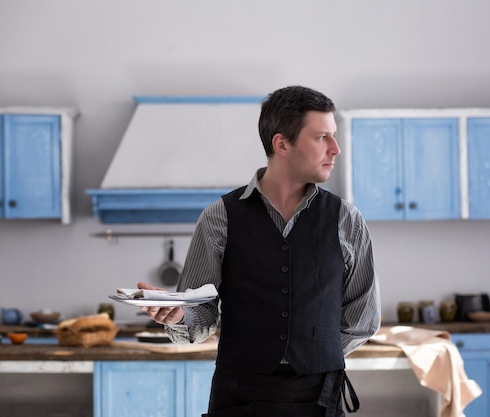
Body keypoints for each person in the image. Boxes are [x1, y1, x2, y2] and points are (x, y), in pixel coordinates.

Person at [138, 85, 381, 417]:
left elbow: (362, 319)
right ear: (282, 143)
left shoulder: (347, 220)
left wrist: (311, 354)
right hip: (238, 396)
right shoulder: (218, 217)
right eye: (321, 137)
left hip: (319, 397)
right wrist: (179, 314)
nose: (336, 149)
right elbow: (202, 313)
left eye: (333, 136)